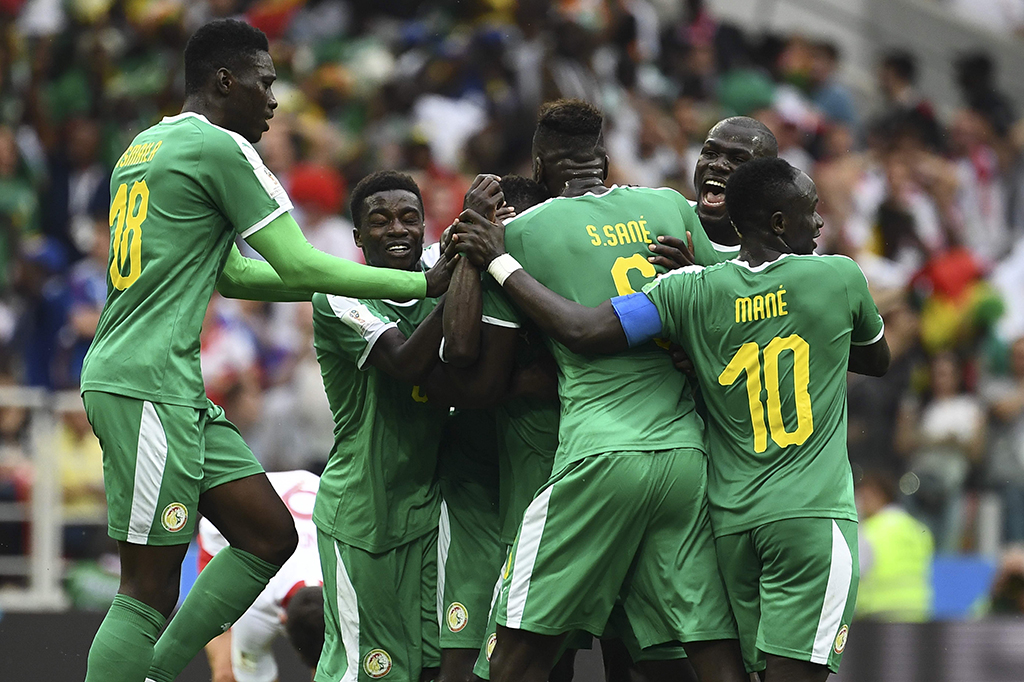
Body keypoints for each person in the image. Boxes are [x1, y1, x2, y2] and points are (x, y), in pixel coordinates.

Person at [79, 19, 451, 682]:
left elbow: (233, 273)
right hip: (144, 385)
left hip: (168, 384)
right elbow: (298, 259)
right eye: (266, 82)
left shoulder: (144, 146)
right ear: (227, 82)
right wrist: (417, 282)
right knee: (146, 587)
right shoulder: (219, 147)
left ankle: (154, 672)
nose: (275, 100)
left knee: (267, 536)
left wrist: (334, 294)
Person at [451, 156, 890, 682]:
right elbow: (875, 358)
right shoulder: (838, 277)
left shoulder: (689, 292)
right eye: (811, 211)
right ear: (778, 222)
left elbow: (584, 330)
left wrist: (500, 262)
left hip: (734, 523)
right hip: (810, 517)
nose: (820, 223)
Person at [449, 98, 747, 682]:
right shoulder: (667, 206)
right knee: (705, 649)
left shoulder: (521, 234)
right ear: (604, 162)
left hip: (598, 456)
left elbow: (465, 357)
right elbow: (730, 308)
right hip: (684, 461)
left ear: (538, 168)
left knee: (513, 645)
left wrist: (486, 253)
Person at [311, 170, 489, 682]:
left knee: (436, 666)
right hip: (365, 516)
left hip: (432, 511)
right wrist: (454, 277)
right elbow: (407, 362)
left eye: (410, 218)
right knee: (369, 672)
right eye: (380, 221)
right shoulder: (339, 294)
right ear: (358, 237)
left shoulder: (441, 263)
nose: (397, 230)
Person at [199, 470, 324, 682]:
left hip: (308, 490)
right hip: (223, 528)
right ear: (281, 619)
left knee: (329, 673)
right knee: (227, 674)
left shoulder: (353, 586)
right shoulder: (255, 599)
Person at [854, 470, 933, 623]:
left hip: (877, 612)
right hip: (917, 611)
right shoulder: (917, 529)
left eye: (864, 497)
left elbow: (857, 571)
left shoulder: (869, 531)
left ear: (878, 495)